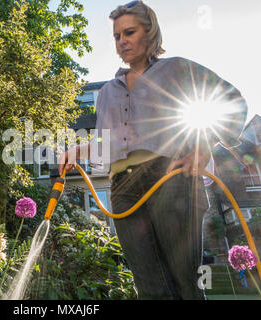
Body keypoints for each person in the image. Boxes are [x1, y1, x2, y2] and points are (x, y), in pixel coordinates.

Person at [58, 1, 248, 300]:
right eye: (117, 36)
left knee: (186, 283)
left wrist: (203, 145)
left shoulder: (176, 68)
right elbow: (110, 142)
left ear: (150, 32)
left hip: (171, 178)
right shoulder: (108, 91)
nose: (122, 41)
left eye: (129, 32)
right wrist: (76, 151)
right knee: (149, 288)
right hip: (123, 189)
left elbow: (231, 100)